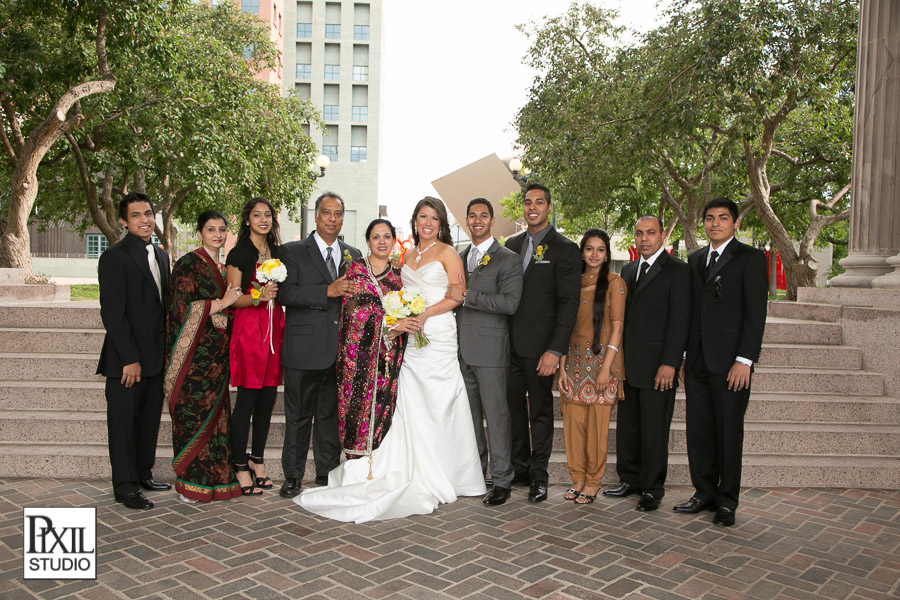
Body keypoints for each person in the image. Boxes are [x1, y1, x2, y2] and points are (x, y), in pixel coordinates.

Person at [295, 197, 486, 523]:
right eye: (422, 217)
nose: (428, 223)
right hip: (410, 339)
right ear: (415, 221)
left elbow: (457, 295)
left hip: (437, 333)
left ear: (441, 223)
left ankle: (452, 471)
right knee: (412, 402)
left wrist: (422, 315)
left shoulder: (448, 253)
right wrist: (401, 322)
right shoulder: (406, 257)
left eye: (434, 218)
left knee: (442, 401)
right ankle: (413, 466)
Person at [675, 198, 768, 527]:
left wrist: (745, 359)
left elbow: (756, 315)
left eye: (723, 218)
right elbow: (690, 313)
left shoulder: (752, 259)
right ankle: (703, 492)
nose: (715, 224)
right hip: (698, 361)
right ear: (703, 223)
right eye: (710, 218)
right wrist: (685, 356)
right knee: (699, 431)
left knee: (729, 432)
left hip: (731, 364)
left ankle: (727, 500)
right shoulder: (696, 259)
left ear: (735, 223)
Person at [277, 192, 362, 498]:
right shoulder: (292, 251)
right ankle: (293, 477)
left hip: (339, 352)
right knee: (298, 418)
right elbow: (286, 294)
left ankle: (327, 474)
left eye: (338, 213)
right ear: (316, 216)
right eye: (327, 212)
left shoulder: (354, 253)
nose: (332, 218)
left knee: (329, 418)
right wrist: (327, 291)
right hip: (302, 351)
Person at [604, 216, 689, 511]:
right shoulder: (627, 270)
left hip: (658, 367)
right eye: (639, 233)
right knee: (629, 426)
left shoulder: (678, 271)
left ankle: (652, 488)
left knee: (654, 429)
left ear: (663, 235)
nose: (644, 239)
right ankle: (630, 479)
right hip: (630, 364)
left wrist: (671, 362)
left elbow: (680, 321)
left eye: (650, 233)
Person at [505, 183, 581, 503]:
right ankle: (519, 469)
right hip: (508, 346)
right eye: (527, 202)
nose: (532, 207)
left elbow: (568, 305)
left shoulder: (564, 249)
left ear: (549, 207)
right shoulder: (511, 244)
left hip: (541, 351)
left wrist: (554, 350)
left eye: (539, 202)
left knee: (539, 413)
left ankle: (539, 476)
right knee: (512, 410)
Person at [97, 192, 172, 510]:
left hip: (156, 357)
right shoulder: (114, 257)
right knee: (124, 425)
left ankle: (143, 474)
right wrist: (129, 359)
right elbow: (112, 314)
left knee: (148, 422)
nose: (145, 219)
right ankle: (125, 486)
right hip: (126, 361)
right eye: (137, 215)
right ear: (124, 221)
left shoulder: (161, 254)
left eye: (149, 213)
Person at [165, 211, 244, 503]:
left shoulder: (223, 269)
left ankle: (217, 481)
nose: (218, 234)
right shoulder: (188, 264)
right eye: (211, 229)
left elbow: (228, 311)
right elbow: (180, 310)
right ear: (200, 233)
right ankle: (190, 482)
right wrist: (223, 303)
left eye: (222, 229)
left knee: (217, 422)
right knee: (193, 419)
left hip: (216, 360)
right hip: (192, 361)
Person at [448, 198, 522, 506]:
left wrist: (468, 296)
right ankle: (476, 474)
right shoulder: (460, 256)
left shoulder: (508, 258)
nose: (477, 220)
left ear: (492, 220)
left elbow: (510, 303)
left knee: (496, 416)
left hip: (491, 351)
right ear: (466, 220)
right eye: (472, 215)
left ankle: (503, 479)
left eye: (483, 215)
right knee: (470, 420)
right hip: (460, 352)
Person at [557, 229, 625, 505]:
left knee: (597, 429)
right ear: (582, 252)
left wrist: (606, 368)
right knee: (573, 427)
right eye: (589, 249)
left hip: (601, 363)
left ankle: (593, 482)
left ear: (607, 254)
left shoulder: (614, 282)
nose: (594, 254)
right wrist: (561, 368)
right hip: (572, 364)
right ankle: (578, 479)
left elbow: (618, 327)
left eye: (600, 249)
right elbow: (564, 327)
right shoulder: (572, 282)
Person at [226, 198, 284, 496]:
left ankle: (257, 460)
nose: (263, 219)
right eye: (256, 215)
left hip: (274, 329)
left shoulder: (277, 252)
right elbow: (232, 299)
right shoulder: (239, 253)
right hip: (250, 329)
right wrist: (259, 296)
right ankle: (238, 465)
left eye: (268, 215)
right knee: (247, 400)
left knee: (267, 400)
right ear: (247, 220)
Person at [336, 219, 406, 464]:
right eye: (376, 237)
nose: (382, 242)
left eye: (387, 236)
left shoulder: (399, 273)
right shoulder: (356, 269)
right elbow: (351, 311)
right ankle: (356, 461)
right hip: (357, 358)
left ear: (394, 241)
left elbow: (408, 310)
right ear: (368, 241)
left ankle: (381, 462)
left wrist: (397, 325)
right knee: (355, 407)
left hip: (389, 357)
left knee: (386, 407)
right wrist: (386, 323)